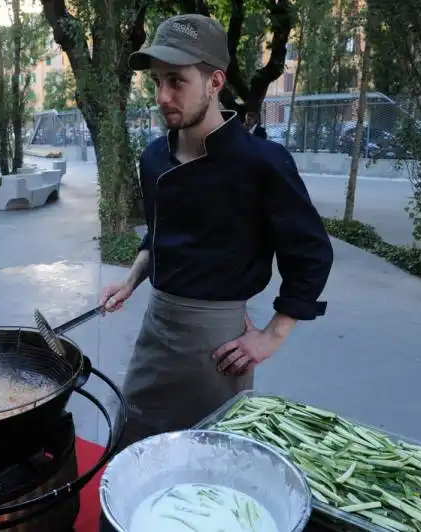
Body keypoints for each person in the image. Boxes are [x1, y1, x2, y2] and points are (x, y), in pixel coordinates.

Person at [99, 13, 334, 453]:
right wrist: (130, 280)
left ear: (215, 81)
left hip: (218, 343)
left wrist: (271, 336)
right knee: (131, 442)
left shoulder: (261, 163)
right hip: (157, 325)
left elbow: (312, 255)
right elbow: (158, 231)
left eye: (176, 81)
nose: (162, 96)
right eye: (156, 82)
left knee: (208, 455)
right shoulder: (153, 158)